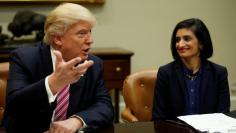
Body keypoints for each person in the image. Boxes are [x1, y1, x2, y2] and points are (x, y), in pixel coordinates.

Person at [3, 3, 114, 133]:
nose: (90, 40)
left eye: (90, 32)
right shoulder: (25, 58)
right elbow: (15, 106)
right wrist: (53, 83)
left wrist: (76, 121)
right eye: (82, 33)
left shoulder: (93, 64)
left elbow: (105, 106)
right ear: (58, 38)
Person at [152, 18, 230, 121]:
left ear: (201, 43)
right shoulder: (165, 73)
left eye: (187, 39)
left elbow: (223, 116)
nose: (180, 44)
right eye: (177, 40)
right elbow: (158, 118)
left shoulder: (219, 73)